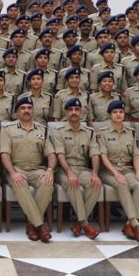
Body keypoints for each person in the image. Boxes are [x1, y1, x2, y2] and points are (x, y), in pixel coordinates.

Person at [0, 97, 55, 243]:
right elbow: (4, 155)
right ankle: (39, 225)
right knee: (20, 183)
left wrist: (49, 170)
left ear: (33, 111)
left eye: (29, 108)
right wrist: (13, 173)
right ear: (17, 112)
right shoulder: (7, 129)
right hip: (16, 169)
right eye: (23, 108)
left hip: (37, 169)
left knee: (48, 182)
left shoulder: (42, 129)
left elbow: (51, 154)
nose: (26, 111)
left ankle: (31, 224)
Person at [98, 100, 139, 242]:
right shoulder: (102, 133)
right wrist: (116, 173)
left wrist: (138, 172)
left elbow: (136, 155)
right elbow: (103, 157)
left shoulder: (131, 133)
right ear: (109, 115)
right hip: (109, 170)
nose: (118, 115)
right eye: (115, 112)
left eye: (120, 112)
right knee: (122, 184)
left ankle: (128, 225)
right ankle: (136, 224)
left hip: (127, 168)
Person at [52, 99, 102, 239]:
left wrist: (95, 173)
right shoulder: (59, 131)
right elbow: (60, 155)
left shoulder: (89, 132)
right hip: (64, 169)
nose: (74, 112)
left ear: (82, 112)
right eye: (70, 110)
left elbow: (95, 154)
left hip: (83, 169)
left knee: (96, 184)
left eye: (77, 109)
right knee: (72, 183)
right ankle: (85, 224)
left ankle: (79, 224)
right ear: (65, 112)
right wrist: (69, 172)